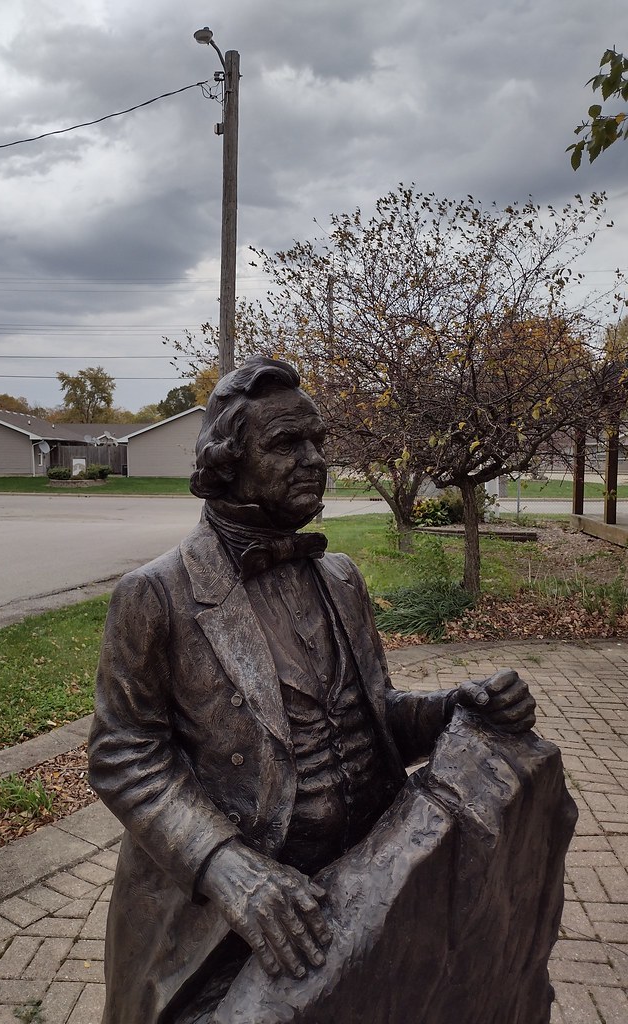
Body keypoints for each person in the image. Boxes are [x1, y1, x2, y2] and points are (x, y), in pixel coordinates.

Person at [88, 356, 536, 1024]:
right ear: (226, 462)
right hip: (230, 912)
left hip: (363, 880)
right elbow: (124, 756)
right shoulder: (157, 594)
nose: (314, 460)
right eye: (286, 444)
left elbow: (375, 716)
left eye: (318, 443)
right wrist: (228, 869)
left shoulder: (340, 578)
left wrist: (452, 708)